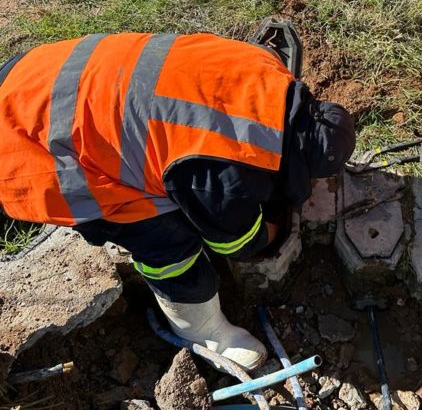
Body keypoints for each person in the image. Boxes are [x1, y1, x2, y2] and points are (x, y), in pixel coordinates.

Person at [0, 32, 356, 370]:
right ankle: (202, 331)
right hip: (35, 150)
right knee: (165, 239)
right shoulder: (224, 176)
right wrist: (272, 227)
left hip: (37, 77)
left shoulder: (263, 64)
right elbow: (237, 242)